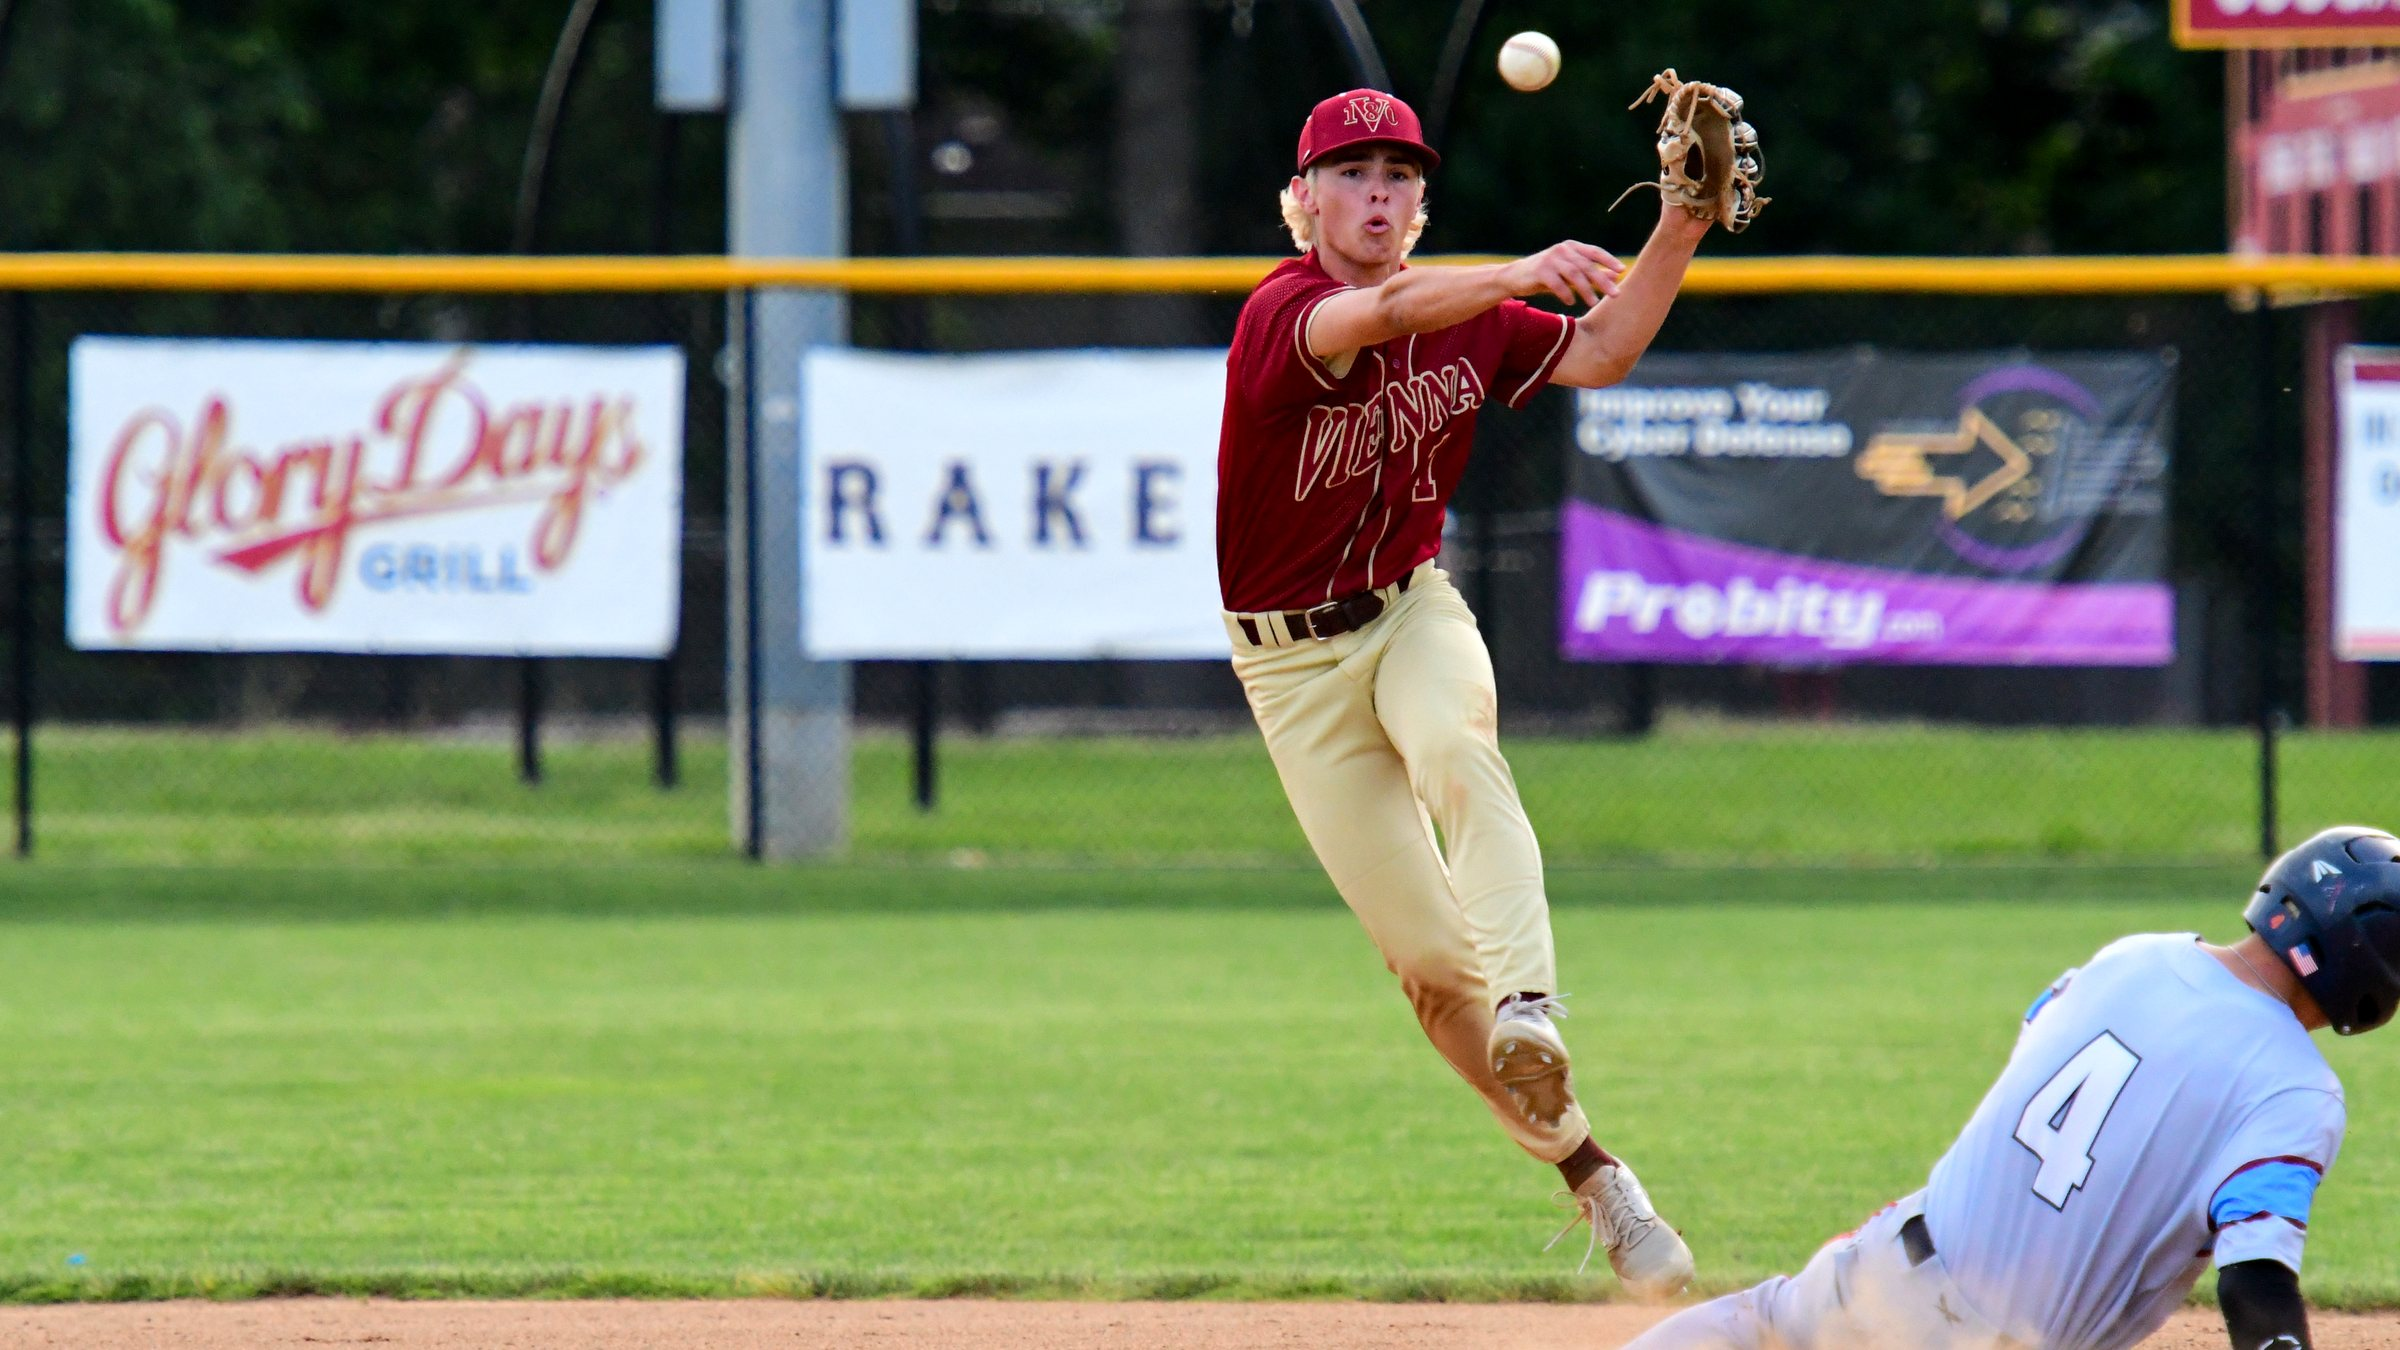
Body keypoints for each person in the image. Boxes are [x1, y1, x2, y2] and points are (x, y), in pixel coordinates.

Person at [1213, 87, 1718, 1298]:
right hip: (1288, 667)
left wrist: (1682, 229)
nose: (1377, 194)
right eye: (1352, 174)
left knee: (1456, 744)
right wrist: (1522, 269)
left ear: (1420, 201)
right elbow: (1379, 311)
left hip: (1407, 609)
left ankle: (1533, 1002)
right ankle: (1593, 1176)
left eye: (1398, 175)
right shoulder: (1288, 311)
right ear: (1306, 200)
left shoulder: (1472, 316)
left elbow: (1604, 349)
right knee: (1434, 975)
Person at [1626, 825, 2400, 1350]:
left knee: (1762, 1325)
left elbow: (2039, 1041)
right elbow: (2254, 1280)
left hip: (1890, 1262)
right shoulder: (2298, 1091)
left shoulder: (2136, 955)